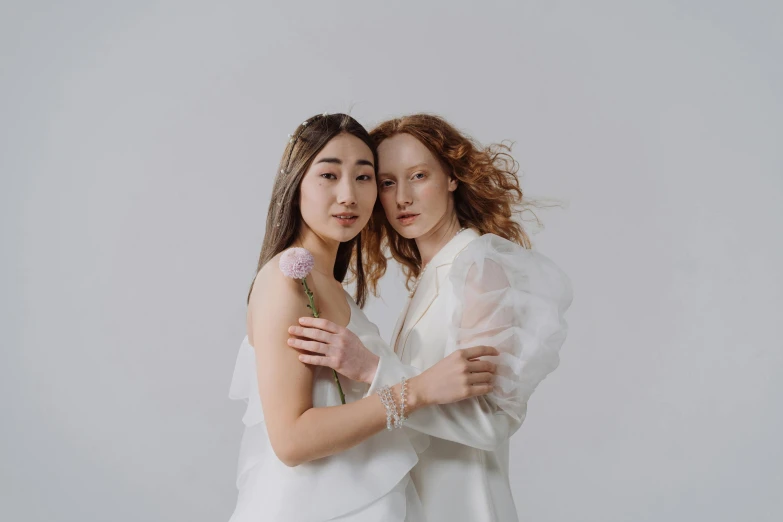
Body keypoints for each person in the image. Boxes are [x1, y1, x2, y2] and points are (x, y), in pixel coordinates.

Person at [287, 114, 573, 522]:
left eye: (418, 175)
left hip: (466, 506)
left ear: (452, 177)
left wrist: (371, 368)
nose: (402, 197)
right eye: (387, 182)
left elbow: (491, 424)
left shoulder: (479, 266)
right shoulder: (433, 274)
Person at [228, 113, 499, 522]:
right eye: (329, 175)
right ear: (295, 183)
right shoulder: (285, 280)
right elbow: (291, 440)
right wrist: (417, 390)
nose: (348, 196)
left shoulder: (328, 285)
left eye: (364, 177)